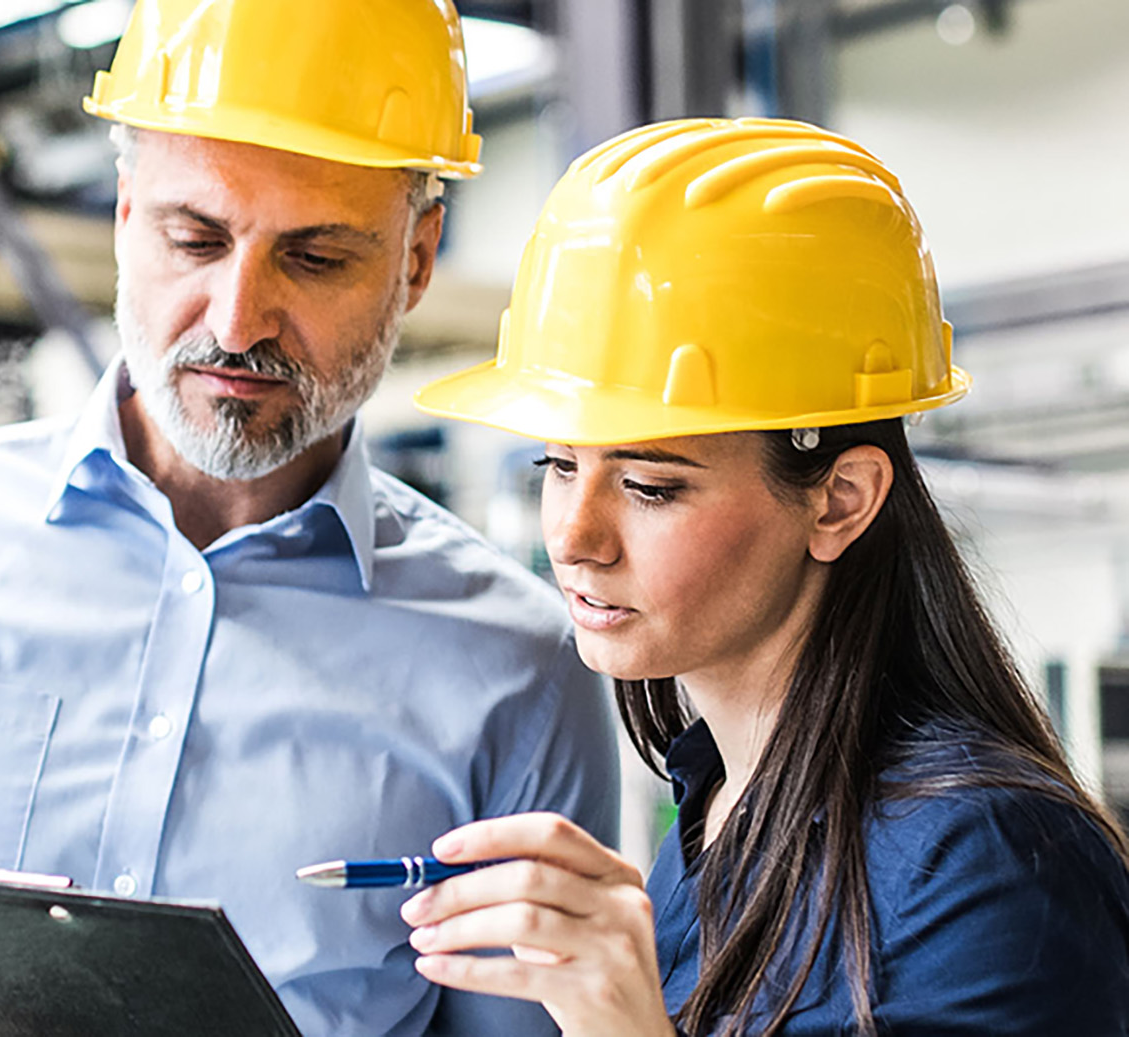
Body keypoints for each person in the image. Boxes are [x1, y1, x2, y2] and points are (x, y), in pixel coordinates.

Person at [0, 2, 620, 1035]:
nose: (237, 319)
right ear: (125, 211)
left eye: (316, 256)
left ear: (418, 258)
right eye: (195, 236)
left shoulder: (520, 668)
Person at [404, 117, 1129, 1035]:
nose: (576, 537)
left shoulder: (985, 863)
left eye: (649, 485)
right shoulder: (717, 811)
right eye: (556, 465)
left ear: (839, 501)